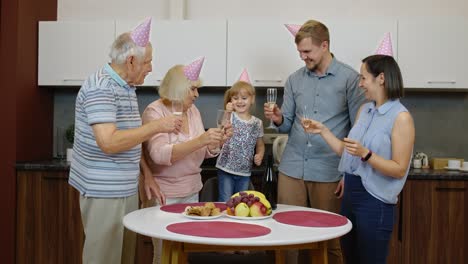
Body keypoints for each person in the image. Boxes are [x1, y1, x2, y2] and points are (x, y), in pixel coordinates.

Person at [68, 18, 182, 264]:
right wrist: (157, 126)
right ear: (131, 61)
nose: (151, 68)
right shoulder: (102, 88)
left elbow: (129, 137)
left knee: (123, 258)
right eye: (148, 62)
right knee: (103, 259)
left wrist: (146, 174)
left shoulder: (126, 87)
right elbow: (108, 142)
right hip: (104, 192)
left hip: (124, 189)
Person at [264, 19, 366, 264]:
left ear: (325, 46)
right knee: (286, 237)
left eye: (307, 52)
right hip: (292, 168)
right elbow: (287, 124)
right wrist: (279, 119)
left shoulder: (350, 80)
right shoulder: (294, 80)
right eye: (299, 52)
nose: (303, 58)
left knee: (329, 240)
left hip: (329, 170)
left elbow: (358, 130)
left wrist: (347, 173)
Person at [302, 54, 415, 264]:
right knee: (350, 259)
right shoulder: (365, 110)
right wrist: (323, 131)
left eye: (363, 78)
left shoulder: (401, 117)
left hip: (375, 201)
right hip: (350, 197)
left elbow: (399, 169)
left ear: (381, 78)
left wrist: (367, 154)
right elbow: (348, 152)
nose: (360, 83)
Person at [141, 58, 232, 264]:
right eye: (193, 89)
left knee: (182, 252)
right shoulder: (154, 112)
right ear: (179, 88)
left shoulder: (192, 112)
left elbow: (204, 153)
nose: (197, 95)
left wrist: (217, 141)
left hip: (191, 192)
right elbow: (160, 155)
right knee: (163, 255)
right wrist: (201, 139)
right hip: (164, 196)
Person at [216, 69, 265, 202]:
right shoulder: (230, 116)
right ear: (231, 100)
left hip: (244, 172)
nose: (240, 101)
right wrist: (227, 112)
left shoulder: (257, 123)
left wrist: (260, 154)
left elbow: (260, 144)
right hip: (226, 169)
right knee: (225, 202)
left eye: (244, 98)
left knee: (241, 204)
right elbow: (221, 127)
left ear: (252, 99)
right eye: (235, 98)